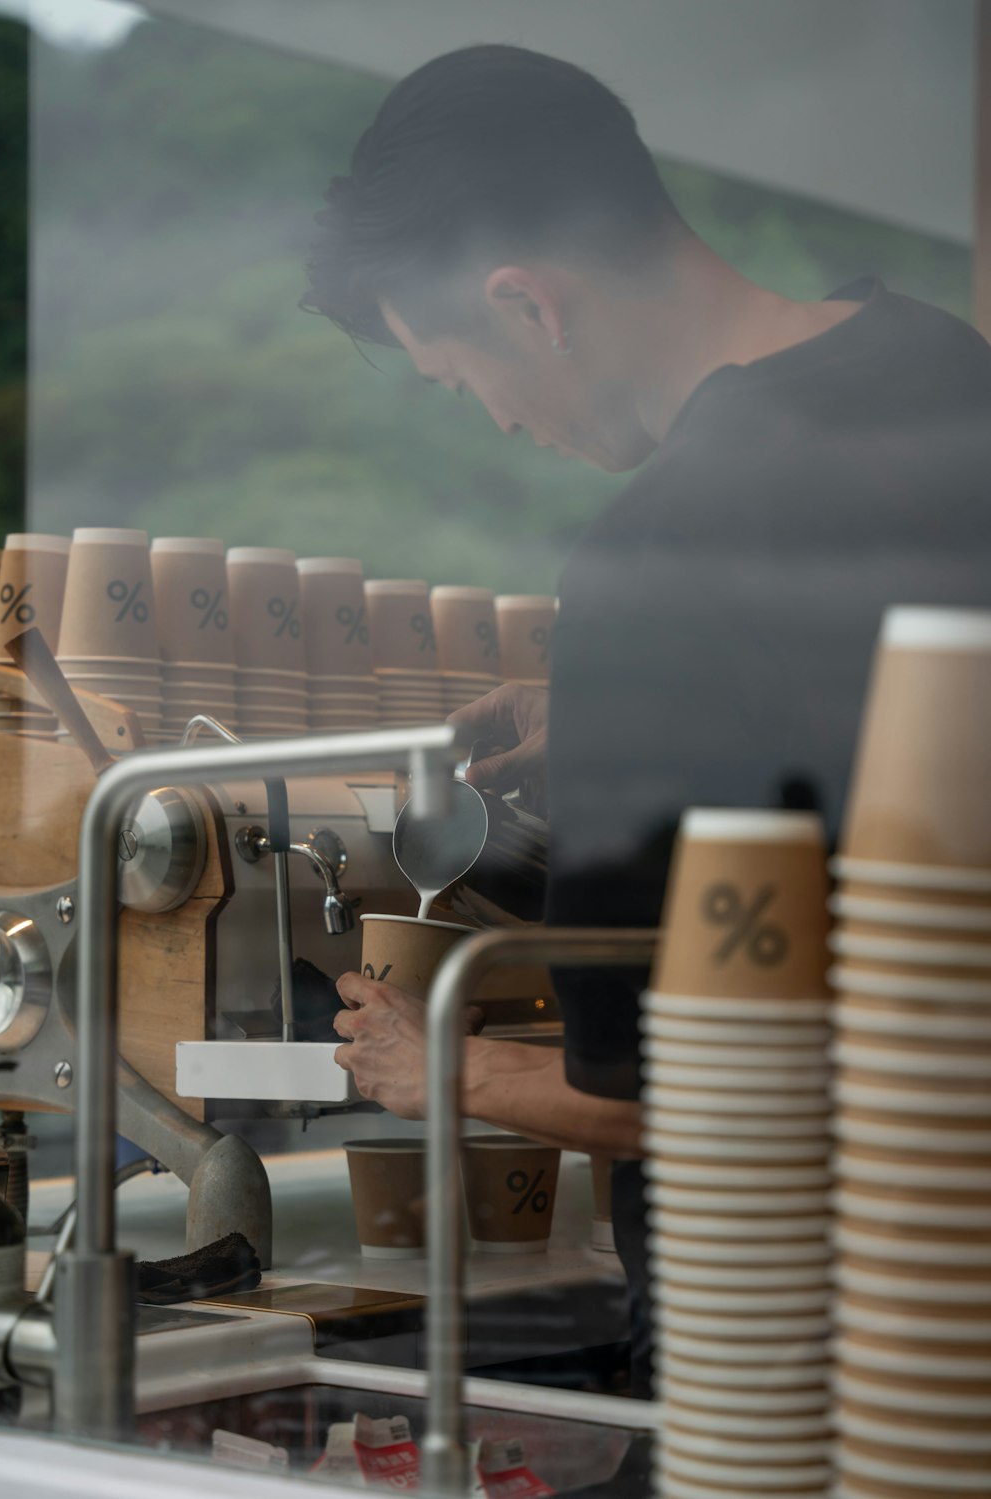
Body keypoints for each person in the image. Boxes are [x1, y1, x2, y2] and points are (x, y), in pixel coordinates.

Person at [302, 43, 991, 1415]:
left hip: (805, 1339)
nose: (498, 418)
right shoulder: (950, 369)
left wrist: (444, 1063)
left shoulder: (656, 561)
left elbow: (688, 1105)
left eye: (460, 380)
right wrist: (629, 711)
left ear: (526, 304)